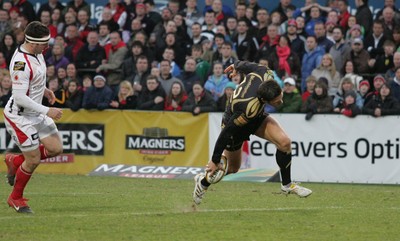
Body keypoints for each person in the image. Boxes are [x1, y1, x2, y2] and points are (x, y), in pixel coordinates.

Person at [192, 61, 312, 206]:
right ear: (265, 100)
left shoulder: (266, 73)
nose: (281, 101)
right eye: (277, 101)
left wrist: (236, 66)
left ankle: (287, 185)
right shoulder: (248, 108)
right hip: (235, 128)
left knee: (285, 143)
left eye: (280, 95)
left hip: (257, 118)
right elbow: (226, 132)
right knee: (232, 169)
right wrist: (215, 159)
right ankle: (202, 182)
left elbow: (253, 66)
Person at [3, 21, 63, 213]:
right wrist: (47, 110)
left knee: (55, 149)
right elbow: (19, 97)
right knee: (34, 159)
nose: (47, 46)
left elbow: (33, 80)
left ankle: (15, 161)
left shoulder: (37, 53)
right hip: (20, 116)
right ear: (33, 43)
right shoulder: (21, 63)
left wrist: (44, 90)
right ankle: (15, 198)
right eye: (44, 43)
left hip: (35, 111)